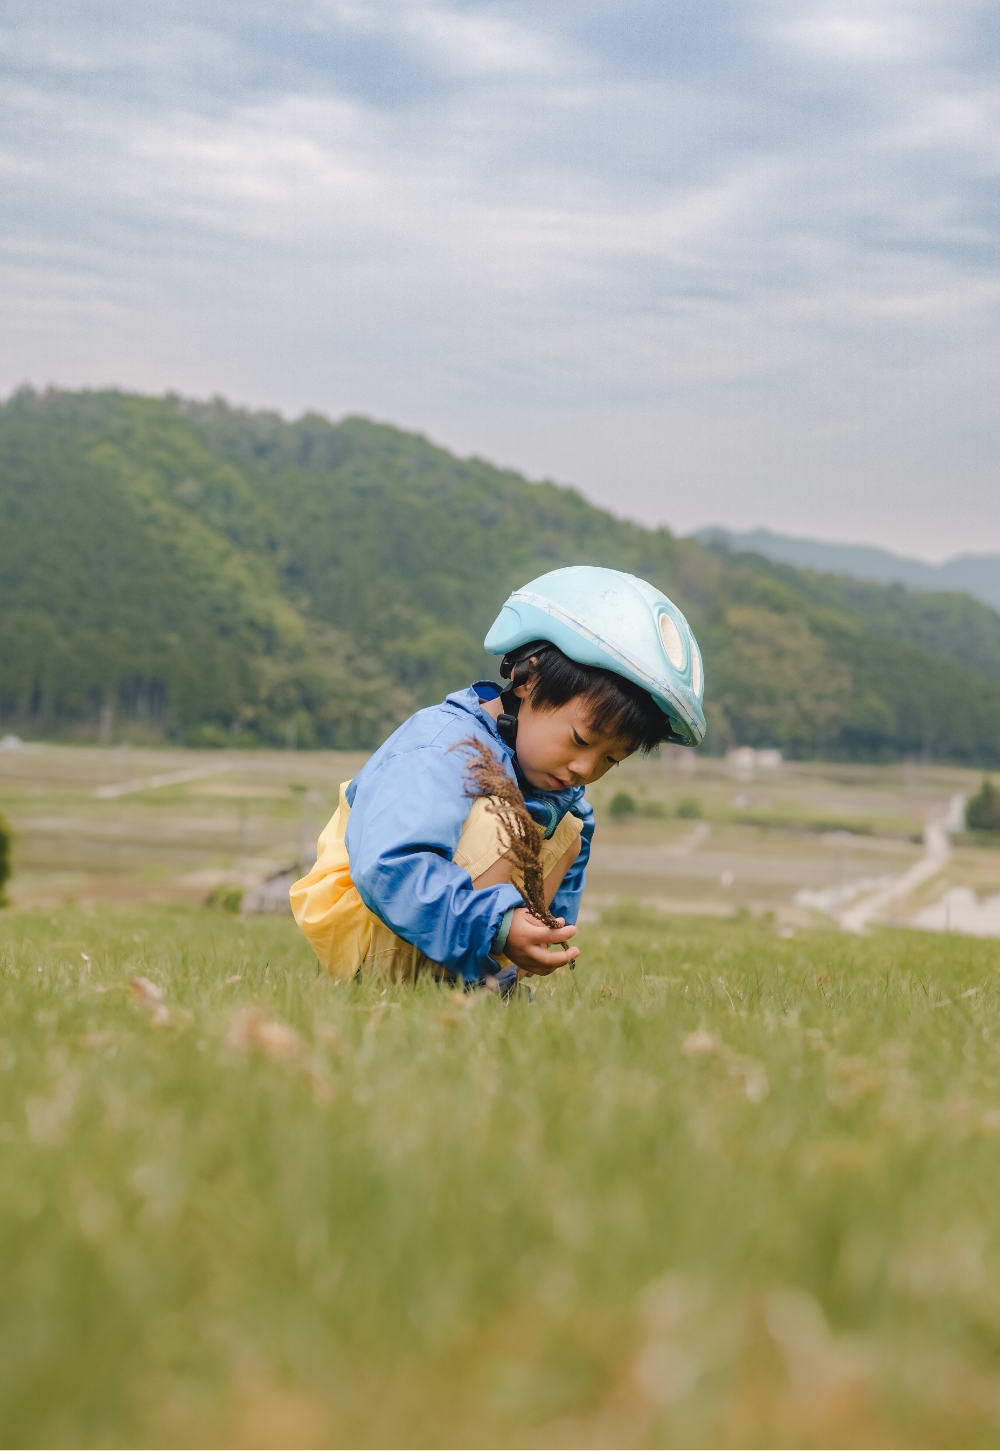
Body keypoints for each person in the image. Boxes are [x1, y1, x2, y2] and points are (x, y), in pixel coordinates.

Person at [290, 566, 705, 987]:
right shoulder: (442, 746)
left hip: (449, 928)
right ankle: (454, 986)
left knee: (568, 829)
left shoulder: (565, 795)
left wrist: (538, 938)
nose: (586, 768)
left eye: (611, 759)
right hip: (370, 922)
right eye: (581, 739)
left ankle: (484, 987)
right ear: (529, 679)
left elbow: (558, 899)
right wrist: (499, 926)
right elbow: (390, 865)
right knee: (502, 819)